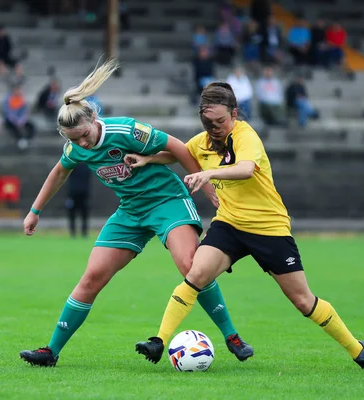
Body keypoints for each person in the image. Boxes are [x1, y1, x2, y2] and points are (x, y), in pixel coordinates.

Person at [132, 82, 364, 370]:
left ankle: (358, 350)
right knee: (196, 273)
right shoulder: (202, 141)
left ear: (234, 113)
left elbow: (246, 169)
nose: (214, 127)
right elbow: (180, 154)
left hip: (269, 228)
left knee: (303, 301)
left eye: (220, 121)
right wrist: (147, 159)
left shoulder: (245, 135)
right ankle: (159, 341)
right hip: (229, 224)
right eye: (207, 122)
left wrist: (210, 173)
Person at [19, 60, 253, 367]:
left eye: (84, 135)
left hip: (167, 201)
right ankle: (51, 351)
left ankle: (232, 336)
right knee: (91, 278)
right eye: (73, 140)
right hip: (130, 210)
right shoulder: (76, 147)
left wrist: (207, 186)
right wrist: (35, 211)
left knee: (190, 266)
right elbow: (58, 173)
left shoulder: (128, 130)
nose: (82, 144)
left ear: (94, 117)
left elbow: (180, 148)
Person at [66, 162, 91, 238]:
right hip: (77, 193)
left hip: (78, 193)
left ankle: (79, 233)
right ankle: (78, 233)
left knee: (81, 215)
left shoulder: (74, 164)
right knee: (77, 214)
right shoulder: (85, 165)